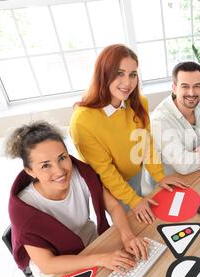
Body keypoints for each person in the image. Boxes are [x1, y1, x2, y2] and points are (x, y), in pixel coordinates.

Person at [6, 121, 149, 277]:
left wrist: (128, 236)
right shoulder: (24, 209)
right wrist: (102, 259)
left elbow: (114, 206)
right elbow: (47, 264)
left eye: (62, 158)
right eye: (46, 165)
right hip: (57, 265)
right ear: (30, 171)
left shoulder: (81, 173)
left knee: (134, 273)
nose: (59, 171)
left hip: (89, 241)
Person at [70, 44, 188, 225]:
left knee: (146, 214)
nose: (128, 83)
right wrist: (133, 201)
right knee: (131, 224)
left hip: (133, 173)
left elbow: (146, 143)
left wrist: (160, 176)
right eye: (119, 73)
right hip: (108, 186)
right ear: (104, 74)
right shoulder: (82, 122)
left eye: (133, 74)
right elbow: (105, 172)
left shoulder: (139, 102)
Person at [150, 61, 200, 175]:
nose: (192, 93)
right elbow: (184, 165)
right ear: (174, 88)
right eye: (185, 86)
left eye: (196, 86)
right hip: (172, 182)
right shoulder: (160, 120)